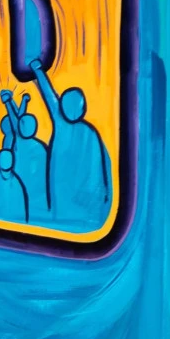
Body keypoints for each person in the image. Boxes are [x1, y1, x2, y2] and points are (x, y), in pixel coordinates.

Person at [29, 59, 110, 229]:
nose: (69, 109)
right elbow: (49, 95)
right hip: (65, 196)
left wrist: (38, 71)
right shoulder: (67, 124)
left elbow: (97, 169)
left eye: (73, 106)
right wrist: (38, 72)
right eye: (66, 104)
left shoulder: (88, 133)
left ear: (81, 109)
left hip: (80, 200)